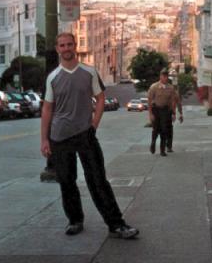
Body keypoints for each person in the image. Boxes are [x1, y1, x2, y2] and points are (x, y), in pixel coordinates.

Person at [40, 32, 139, 238]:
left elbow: (100, 98)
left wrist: (94, 124)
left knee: (97, 180)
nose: (66, 48)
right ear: (58, 49)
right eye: (62, 45)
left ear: (75, 46)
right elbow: (47, 109)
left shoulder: (89, 72)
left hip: (85, 134)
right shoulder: (53, 77)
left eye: (69, 44)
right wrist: (44, 139)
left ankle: (116, 224)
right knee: (67, 181)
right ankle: (75, 220)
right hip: (60, 137)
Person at [148, 68, 179, 156]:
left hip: (165, 111)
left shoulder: (170, 88)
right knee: (156, 129)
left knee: (164, 130)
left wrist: (174, 113)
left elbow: (172, 101)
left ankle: (162, 150)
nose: (165, 78)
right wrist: (150, 114)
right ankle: (153, 143)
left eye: (166, 76)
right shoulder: (154, 87)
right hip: (156, 110)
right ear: (160, 76)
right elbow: (149, 100)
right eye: (163, 76)